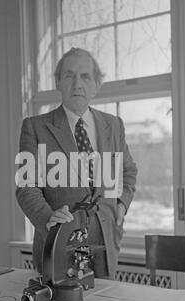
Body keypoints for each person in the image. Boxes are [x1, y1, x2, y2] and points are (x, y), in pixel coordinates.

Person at [16, 48, 137, 279]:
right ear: (58, 82)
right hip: (58, 242)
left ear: (96, 85)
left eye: (85, 76)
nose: (77, 84)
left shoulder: (114, 126)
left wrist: (121, 206)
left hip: (104, 246)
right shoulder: (35, 127)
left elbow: (128, 171)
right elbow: (26, 187)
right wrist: (47, 217)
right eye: (69, 76)